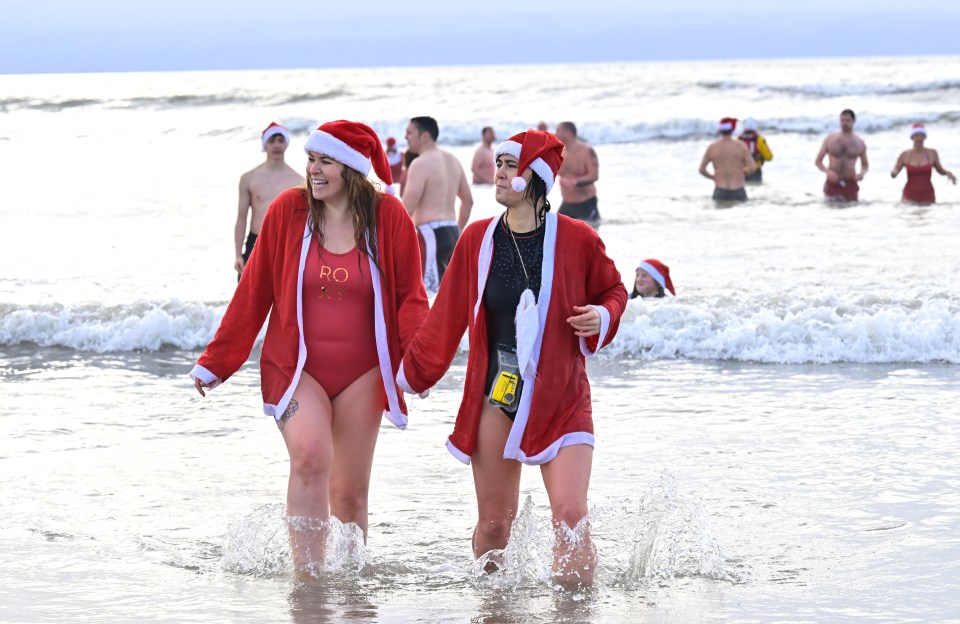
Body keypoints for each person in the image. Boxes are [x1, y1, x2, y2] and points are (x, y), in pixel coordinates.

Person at [190, 120, 429, 575]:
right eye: (312, 159)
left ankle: (352, 582)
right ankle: (309, 581)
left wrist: (419, 366)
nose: (313, 170)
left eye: (325, 161)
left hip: (364, 373)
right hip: (298, 368)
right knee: (310, 456)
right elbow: (254, 290)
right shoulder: (289, 211)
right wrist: (216, 362)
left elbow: (411, 299)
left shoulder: (389, 217)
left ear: (353, 169)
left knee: (350, 493)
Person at [396, 130, 628, 588]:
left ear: (536, 178)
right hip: (496, 395)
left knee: (571, 517)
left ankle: (574, 613)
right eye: (497, 164)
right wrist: (413, 373)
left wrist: (603, 315)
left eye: (508, 166)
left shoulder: (577, 239)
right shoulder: (478, 240)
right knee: (496, 526)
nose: (497, 174)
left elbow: (614, 290)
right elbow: (445, 318)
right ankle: (493, 606)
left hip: (562, 397)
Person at [402, 116, 474, 293]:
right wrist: (458, 229)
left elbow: (406, 211)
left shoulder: (420, 163)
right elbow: (468, 200)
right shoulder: (453, 160)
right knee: (447, 294)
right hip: (451, 231)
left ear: (424, 136)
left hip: (430, 235)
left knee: (427, 294)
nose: (405, 137)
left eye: (409, 133)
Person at [235, 122, 304, 281]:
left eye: (281, 140)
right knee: (248, 294)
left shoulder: (299, 181)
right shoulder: (249, 178)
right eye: (272, 140)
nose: (277, 145)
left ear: (286, 144)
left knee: (283, 296)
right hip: (255, 241)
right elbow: (241, 218)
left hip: (285, 244)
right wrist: (238, 254)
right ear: (264, 144)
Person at [890, 123, 957, 204]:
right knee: (907, 215)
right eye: (916, 135)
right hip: (909, 194)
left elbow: (940, 170)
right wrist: (894, 172)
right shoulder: (905, 154)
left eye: (921, 135)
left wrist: (948, 173)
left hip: (927, 194)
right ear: (912, 137)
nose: (919, 138)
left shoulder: (932, 153)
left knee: (929, 215)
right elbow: (895, 170)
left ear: (925, 137)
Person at [815, 109, 868, 202]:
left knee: (852, 210)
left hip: (850, 183)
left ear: (853, 121)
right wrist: (828, 172)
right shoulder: (830, 139)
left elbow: (865, 165)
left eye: (847, 120)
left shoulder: (859, 142)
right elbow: (818, 162)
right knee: (830, 210)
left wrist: (861, 174)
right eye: (842, 120)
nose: (844, 123)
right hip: (833, 182)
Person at [699, 117, 756, 202]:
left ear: (719, 131)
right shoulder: (740, 146)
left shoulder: (712, 147)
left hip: (720, 189)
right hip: (738, 189)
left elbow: (702, 169)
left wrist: (713, 177)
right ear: (732, 130)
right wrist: (743, 173)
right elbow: (752, 167)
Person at [554, 121, 600, 227]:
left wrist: (574, 183)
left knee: (589, 239)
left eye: (558, 131)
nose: (556, 134)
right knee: (556, 233)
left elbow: (594, 176)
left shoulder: (587, 151)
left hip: (585, 204)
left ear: (568, 132)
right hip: (566, 204)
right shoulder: (560, 153)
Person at [738, 118, 774, 183]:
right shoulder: (759, 139)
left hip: (741, 171)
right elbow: (769, 157)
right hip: (755, 170)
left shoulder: (738, 139)